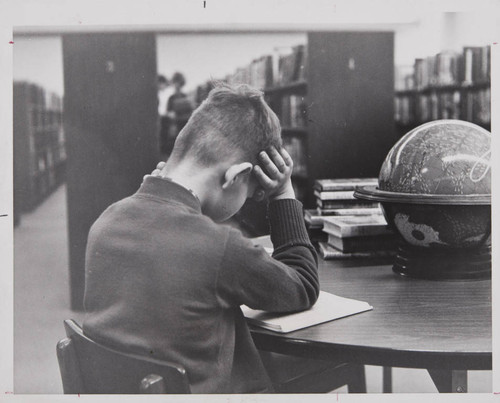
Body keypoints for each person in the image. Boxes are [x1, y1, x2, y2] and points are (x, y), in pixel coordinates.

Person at [82, 83, 324, 393]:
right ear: (235, 176)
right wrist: (282, 192)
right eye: (250, 192)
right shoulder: (220, 247)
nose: (248, 199)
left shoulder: (107, 220)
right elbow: (303, 284)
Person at [164, 72, 193, 156]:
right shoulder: (171, 98)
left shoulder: (185, 96)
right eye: (175, 83)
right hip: (175, 126)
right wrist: (171, 114)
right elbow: (168, 112)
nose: (177, 85)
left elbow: (190, 111)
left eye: (179, 83)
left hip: (184, 125)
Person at [157, 74, 174, 157]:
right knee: (163, 136)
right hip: (162, 117)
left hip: (168, 117)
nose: (159, 86)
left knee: (168, 136)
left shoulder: (168, 92)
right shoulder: (160, 93)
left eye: (160, 84)